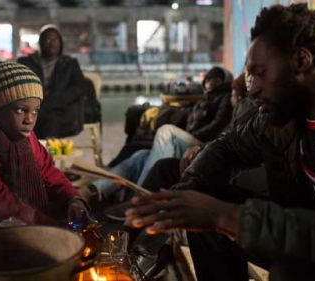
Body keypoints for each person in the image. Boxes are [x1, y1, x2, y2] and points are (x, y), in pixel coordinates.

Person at [126, 4, 315, 281]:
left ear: (301, 60)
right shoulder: (285, 113)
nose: (251, 89)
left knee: (287, 272)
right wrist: (184, 194)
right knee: (204, 200)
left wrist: (224, 216)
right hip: (304, 237)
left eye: (259, 72)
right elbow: (227, 146)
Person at [0, 54, 88, 239]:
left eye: (35, 111)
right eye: (21, 110)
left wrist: (72, 199)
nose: (29, 120)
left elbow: (48, 174)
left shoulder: (26, 140)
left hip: (28, 235)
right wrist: (49, 227)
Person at [90, 67, 233, 202]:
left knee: (167, 131)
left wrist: (192, 136)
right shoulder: (204, 99)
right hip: (192, 139)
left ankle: (140, 198)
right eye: (209, 79)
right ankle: (96, 190)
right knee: (140, 155)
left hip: (202, 144)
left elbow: (217, 127)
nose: (211, 83)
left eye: (216, 80)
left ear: (224, 82)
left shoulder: (225, 98)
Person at [17, 24, 91, 139]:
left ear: (60, 43)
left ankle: (45, 152)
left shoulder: (69, 63)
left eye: (55, 39)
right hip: (34, 106)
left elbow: (80, 86)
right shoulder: (26, 62)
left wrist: (60, 98)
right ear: (41, 42)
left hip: (62, 108)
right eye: (47, 39)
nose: (51, 43)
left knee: (51, 119)